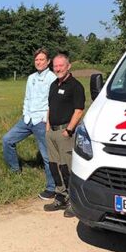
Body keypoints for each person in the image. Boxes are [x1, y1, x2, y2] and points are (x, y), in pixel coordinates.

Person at [2, 48, 57, 200]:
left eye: (42, 60)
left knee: (47, 155)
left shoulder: (52, 78)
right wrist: (25, 113)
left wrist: (46, 121)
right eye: (37, 60)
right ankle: (15, 171)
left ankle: (52, 188)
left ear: (48, 62)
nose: (39, 62)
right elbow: (27, 98)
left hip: (41, 121)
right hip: (27, 119)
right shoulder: (31, 77)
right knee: (7, 140)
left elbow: (52, 103)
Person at [43, 53, 85, 217]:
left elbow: (79, 110)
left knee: (67, 167)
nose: (58, 68)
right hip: (52, 132)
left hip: (65, 133)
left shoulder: (75, 86)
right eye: (55, 66)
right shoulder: (53, 85)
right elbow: (50, 107)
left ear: (68, 66)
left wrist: (68, 130)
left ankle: (74, 202)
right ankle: (61, 197)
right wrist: (47, 126)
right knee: (55, 166)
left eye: (61, 65)